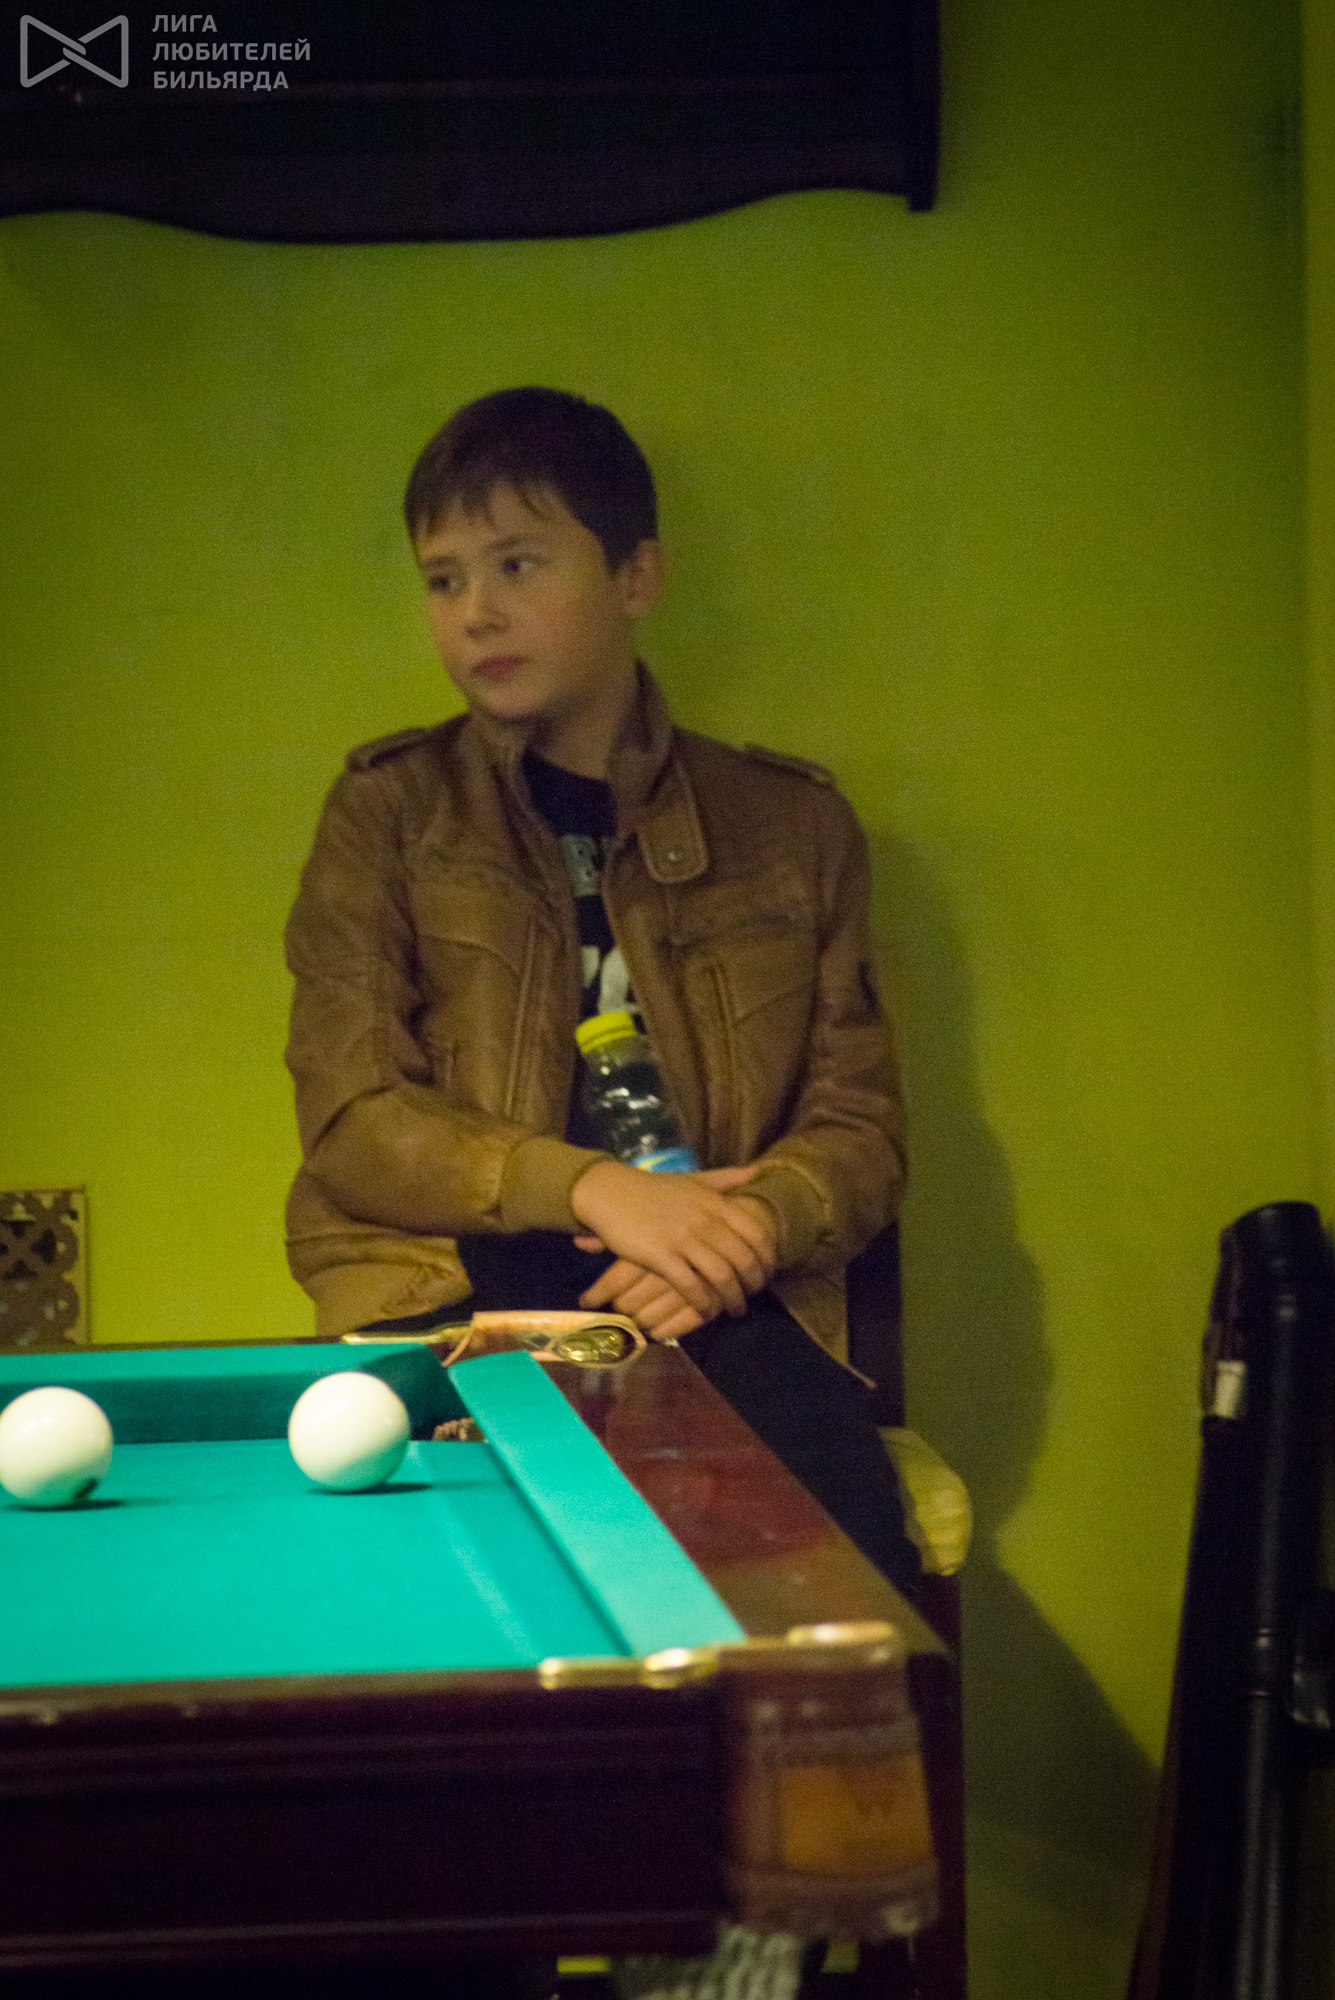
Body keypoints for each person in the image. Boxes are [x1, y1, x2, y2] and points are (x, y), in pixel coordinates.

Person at [284, 387, 918, 1596]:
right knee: (428, 1600)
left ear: (637, 577)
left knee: (835, 1588)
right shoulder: (388, 812)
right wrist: (598, 1188)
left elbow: (862, 1127)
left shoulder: (792, 826)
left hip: (720, 1292)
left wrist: (745, 1229)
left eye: (517, 563)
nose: (477, 610)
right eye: (444, 579)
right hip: (444, 1288)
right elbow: (354, 1118)